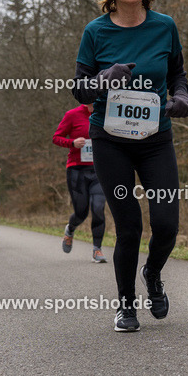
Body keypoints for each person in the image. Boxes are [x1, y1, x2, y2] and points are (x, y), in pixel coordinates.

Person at [71, 0, 188, 332]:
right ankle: (126, 307)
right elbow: (79, 89)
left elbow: (178, 75)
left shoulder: (164, 26)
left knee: (167, 225)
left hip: (156, 138)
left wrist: (182, 97)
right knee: (129, 227)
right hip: (110, 140)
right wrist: (105, 78)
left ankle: (152, 274)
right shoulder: (96, 31)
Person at [53, 104, 108, 263]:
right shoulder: (72, 114)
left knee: (98, 207)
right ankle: (70, 229)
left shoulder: (106, 112)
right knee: (81, 212)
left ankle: (97, 250)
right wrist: (72, 143)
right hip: (77, 170)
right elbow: (56, 137)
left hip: (99, 170)